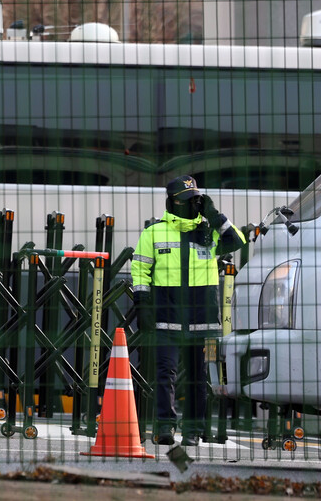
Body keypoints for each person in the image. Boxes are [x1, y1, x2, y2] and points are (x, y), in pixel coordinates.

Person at [131, 175, 246, 447]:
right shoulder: (154, 232)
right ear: (171, 202)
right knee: (164, 373)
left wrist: (215, 216)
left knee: (198, 377)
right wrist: (142, 304)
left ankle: (193, 431)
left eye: (195, 199)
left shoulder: (209, 231)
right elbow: (140, 269)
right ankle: (164, 428)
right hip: (165, 317)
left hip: (202, 319)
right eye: (186, 200)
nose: (191, 205)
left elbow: (237, 241)